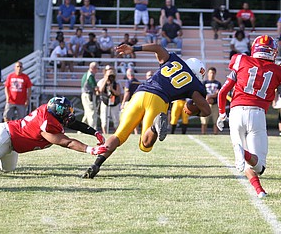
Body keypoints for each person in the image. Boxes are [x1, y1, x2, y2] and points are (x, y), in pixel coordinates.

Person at [82, 43, 211, 179]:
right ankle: (155, 127)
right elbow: (207, 110)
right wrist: (194, 110)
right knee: (145, 145)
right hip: (159, 100)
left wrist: (133, 49)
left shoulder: (174, 61)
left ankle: (95, 165)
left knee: (118, 135)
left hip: (140, 93)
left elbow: (157, 47)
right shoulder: (195, 84)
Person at [0, 96, 107, 173]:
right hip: (5, 137)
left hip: (11, 140)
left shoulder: (49, 111)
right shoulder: (47, 125)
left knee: (7, 168)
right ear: (57, 114)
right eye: (66, 113)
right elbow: (67, 142)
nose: (69, 116)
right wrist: (90, 149)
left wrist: (94, 132)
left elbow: (73, 123)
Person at [216, 35, 281, 198]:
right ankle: (243, 153)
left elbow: (223, 92)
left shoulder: (240, 60)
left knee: (247, 162)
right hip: (257, 115)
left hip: (236, 113)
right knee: (260, 167)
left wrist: (222, 112)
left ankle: (260, 191)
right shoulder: (277, 71)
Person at [98, 67, 122, 134]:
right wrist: (106, 80)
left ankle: (116, 134)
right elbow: (100, 90)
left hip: (114, 103)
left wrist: (112, 89)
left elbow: (118, 93)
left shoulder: (116, 83)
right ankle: (105, 133)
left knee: (116, 120)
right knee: (104, 120)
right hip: (105, 102)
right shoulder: (102, 81)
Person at [200, 67, 221, 135]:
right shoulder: (204, 83)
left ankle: (215, 134)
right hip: (206, 104)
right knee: (204, 121)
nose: (212, 74)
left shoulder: (218, 83)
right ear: (208, 73)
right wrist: (207, 98)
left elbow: (218, 93)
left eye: (213, 73)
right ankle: (203, 133)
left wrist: (210, 96)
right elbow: (202, 93)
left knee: (216, 121)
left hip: (215, 104)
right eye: (210, 73)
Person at [120, 68, 141, 134]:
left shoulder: (128, 82)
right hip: (137, 102)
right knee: (135, 118)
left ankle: (124, 132)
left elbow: (127, 93)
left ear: (127, 74)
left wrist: (123, 102)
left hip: (129, 102)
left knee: (125, 117)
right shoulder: (138, 82)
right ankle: (136, 132)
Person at [81, 61, 99, 129]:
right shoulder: (90, 75)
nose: (97, 70)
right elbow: (95, 87)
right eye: (97, 68)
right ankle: (93, 129)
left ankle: (80, 129)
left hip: (84, 94)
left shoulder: (85, 74)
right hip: (89, 96)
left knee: (86, 113)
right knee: (92, 113)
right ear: (93, 68)